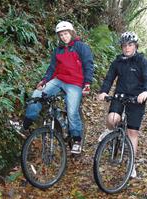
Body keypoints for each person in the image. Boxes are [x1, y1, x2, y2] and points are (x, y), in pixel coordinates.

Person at [21, 21, 94, 154]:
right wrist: (44, 81)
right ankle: (26, 124)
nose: (63, 37)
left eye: (65, 34)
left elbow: (88, 65)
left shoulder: (81, 47)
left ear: (71, 33)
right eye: (61, 35)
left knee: (72, 111)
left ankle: (77, 140)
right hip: (58, 80)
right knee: (37, 94)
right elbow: (52, 68)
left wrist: (87, 83)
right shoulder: (58, 50)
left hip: (75, 83)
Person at [97, 31, 147, 178]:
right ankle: (110, 131)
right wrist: (103, 91)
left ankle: (132, 165)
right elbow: (109, 78)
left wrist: (146, 92)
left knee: (132, 133)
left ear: (135, 46)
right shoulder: (117, 61)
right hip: (120, 96)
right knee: (112, 119)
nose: (127, 48)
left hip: (137, 99)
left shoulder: (142, 61)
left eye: (130, 45)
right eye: (124, 45)